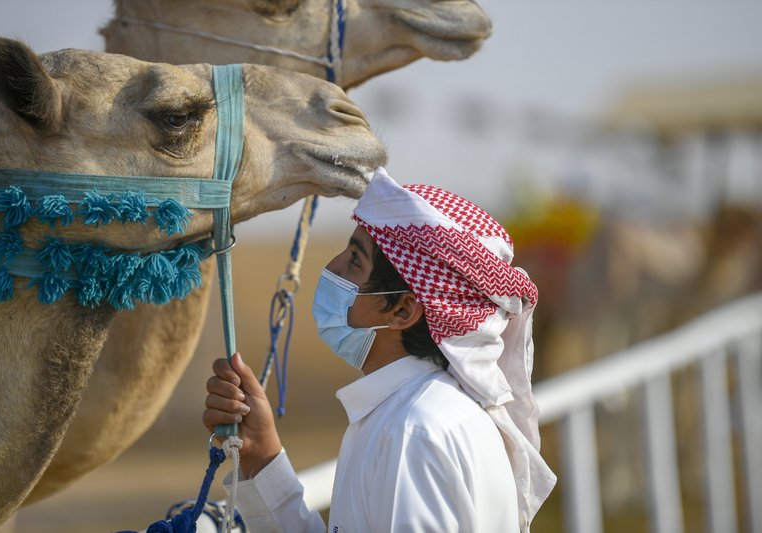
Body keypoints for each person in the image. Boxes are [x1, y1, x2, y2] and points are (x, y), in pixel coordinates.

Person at [203, 168, 556, 532]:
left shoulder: (412, 433)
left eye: (355, 260)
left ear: (402, 310)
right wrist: (260, 454)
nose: (332, 268)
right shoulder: (420, 414)